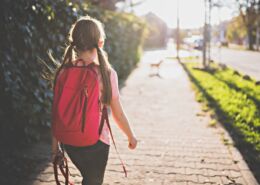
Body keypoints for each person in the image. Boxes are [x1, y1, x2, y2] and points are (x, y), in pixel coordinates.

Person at [51, 15, 137, 185]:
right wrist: (130, 136)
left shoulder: (63, 72)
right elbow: (117, 113)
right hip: (96, 143)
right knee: (92, 181)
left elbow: (55, 113)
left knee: (88, 178)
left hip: (69, 142)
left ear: (74, 42)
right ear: (100, 42)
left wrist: (55, 150)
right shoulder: (106, 74)